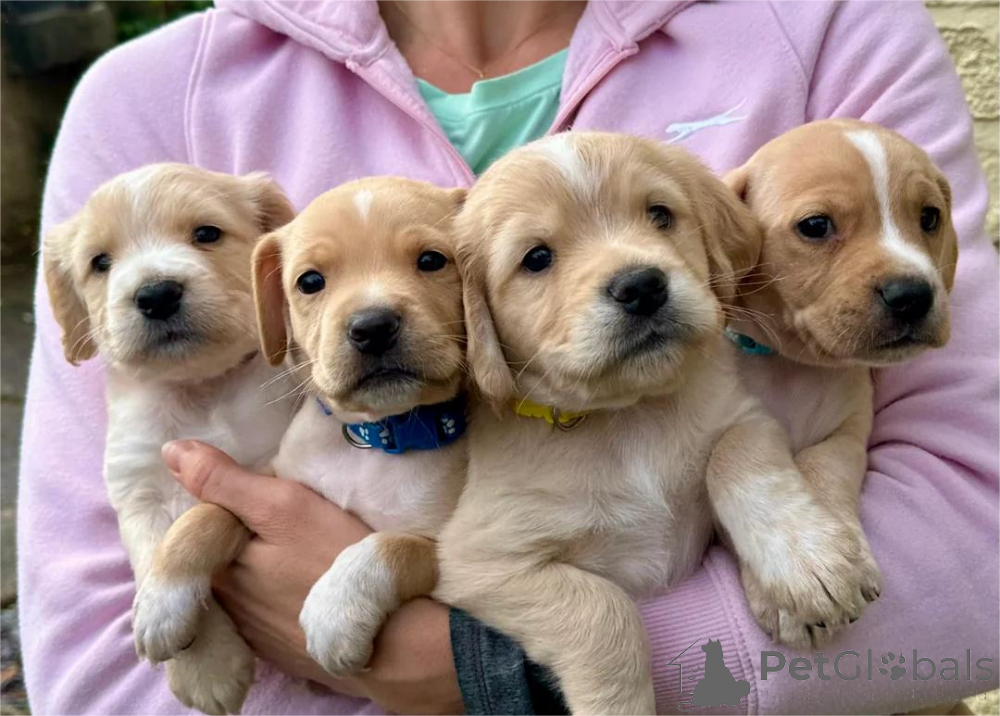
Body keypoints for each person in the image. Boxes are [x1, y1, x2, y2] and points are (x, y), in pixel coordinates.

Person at [18, 1, 999, 714]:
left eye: (662, 214)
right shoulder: (150, 99)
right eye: (533, 258)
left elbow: (977, 551)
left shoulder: (828, 24)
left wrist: (486, 673)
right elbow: (101, 668)